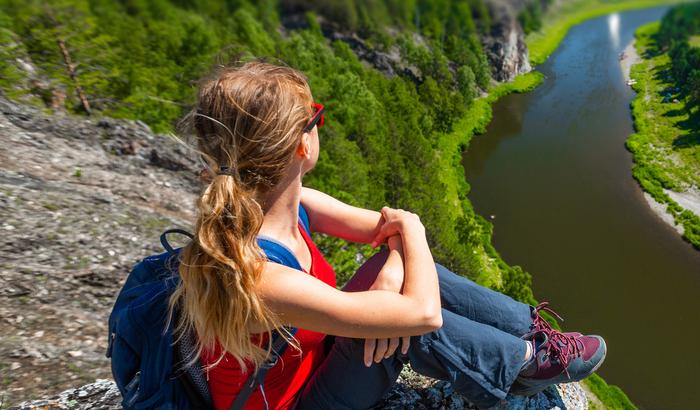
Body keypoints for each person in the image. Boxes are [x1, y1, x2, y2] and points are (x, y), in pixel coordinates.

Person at [170, 61, 606, 409]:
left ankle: (529, 331)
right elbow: (423, 312)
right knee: (406, 324)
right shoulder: (260, 276)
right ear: (301, 145)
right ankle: (519, 366)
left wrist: (391, 270)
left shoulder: (293, 205)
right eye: (316, 115)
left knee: (403, 274)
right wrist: (412, 230)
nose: (321, 123)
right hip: (300, 402)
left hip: (314, 362)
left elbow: (385, 231)